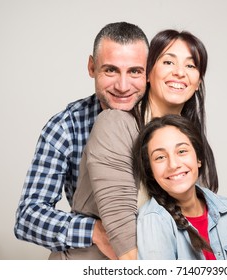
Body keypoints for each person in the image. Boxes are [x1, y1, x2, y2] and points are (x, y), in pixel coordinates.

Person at [66, 29, 219, 260]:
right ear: (148, 73)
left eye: (191, 66)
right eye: (168, 61)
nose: (179, 72)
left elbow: (201, 223)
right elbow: (124, 242)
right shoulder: (115, 124)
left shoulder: (192, 143)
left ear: (198, 82)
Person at [14, 22, 149, 260]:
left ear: (149, 72)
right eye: (111, 70)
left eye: (135, 71)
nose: (123, 86)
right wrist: (96, 232)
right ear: (91, 67)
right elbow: (27, 217)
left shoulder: (163, 118)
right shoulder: (65, 127)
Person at [133, 114, 227, 260]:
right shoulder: (153, 220)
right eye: (160, 157)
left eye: (182, 151)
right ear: (150, 170)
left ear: (199, 158)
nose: (173, 165)